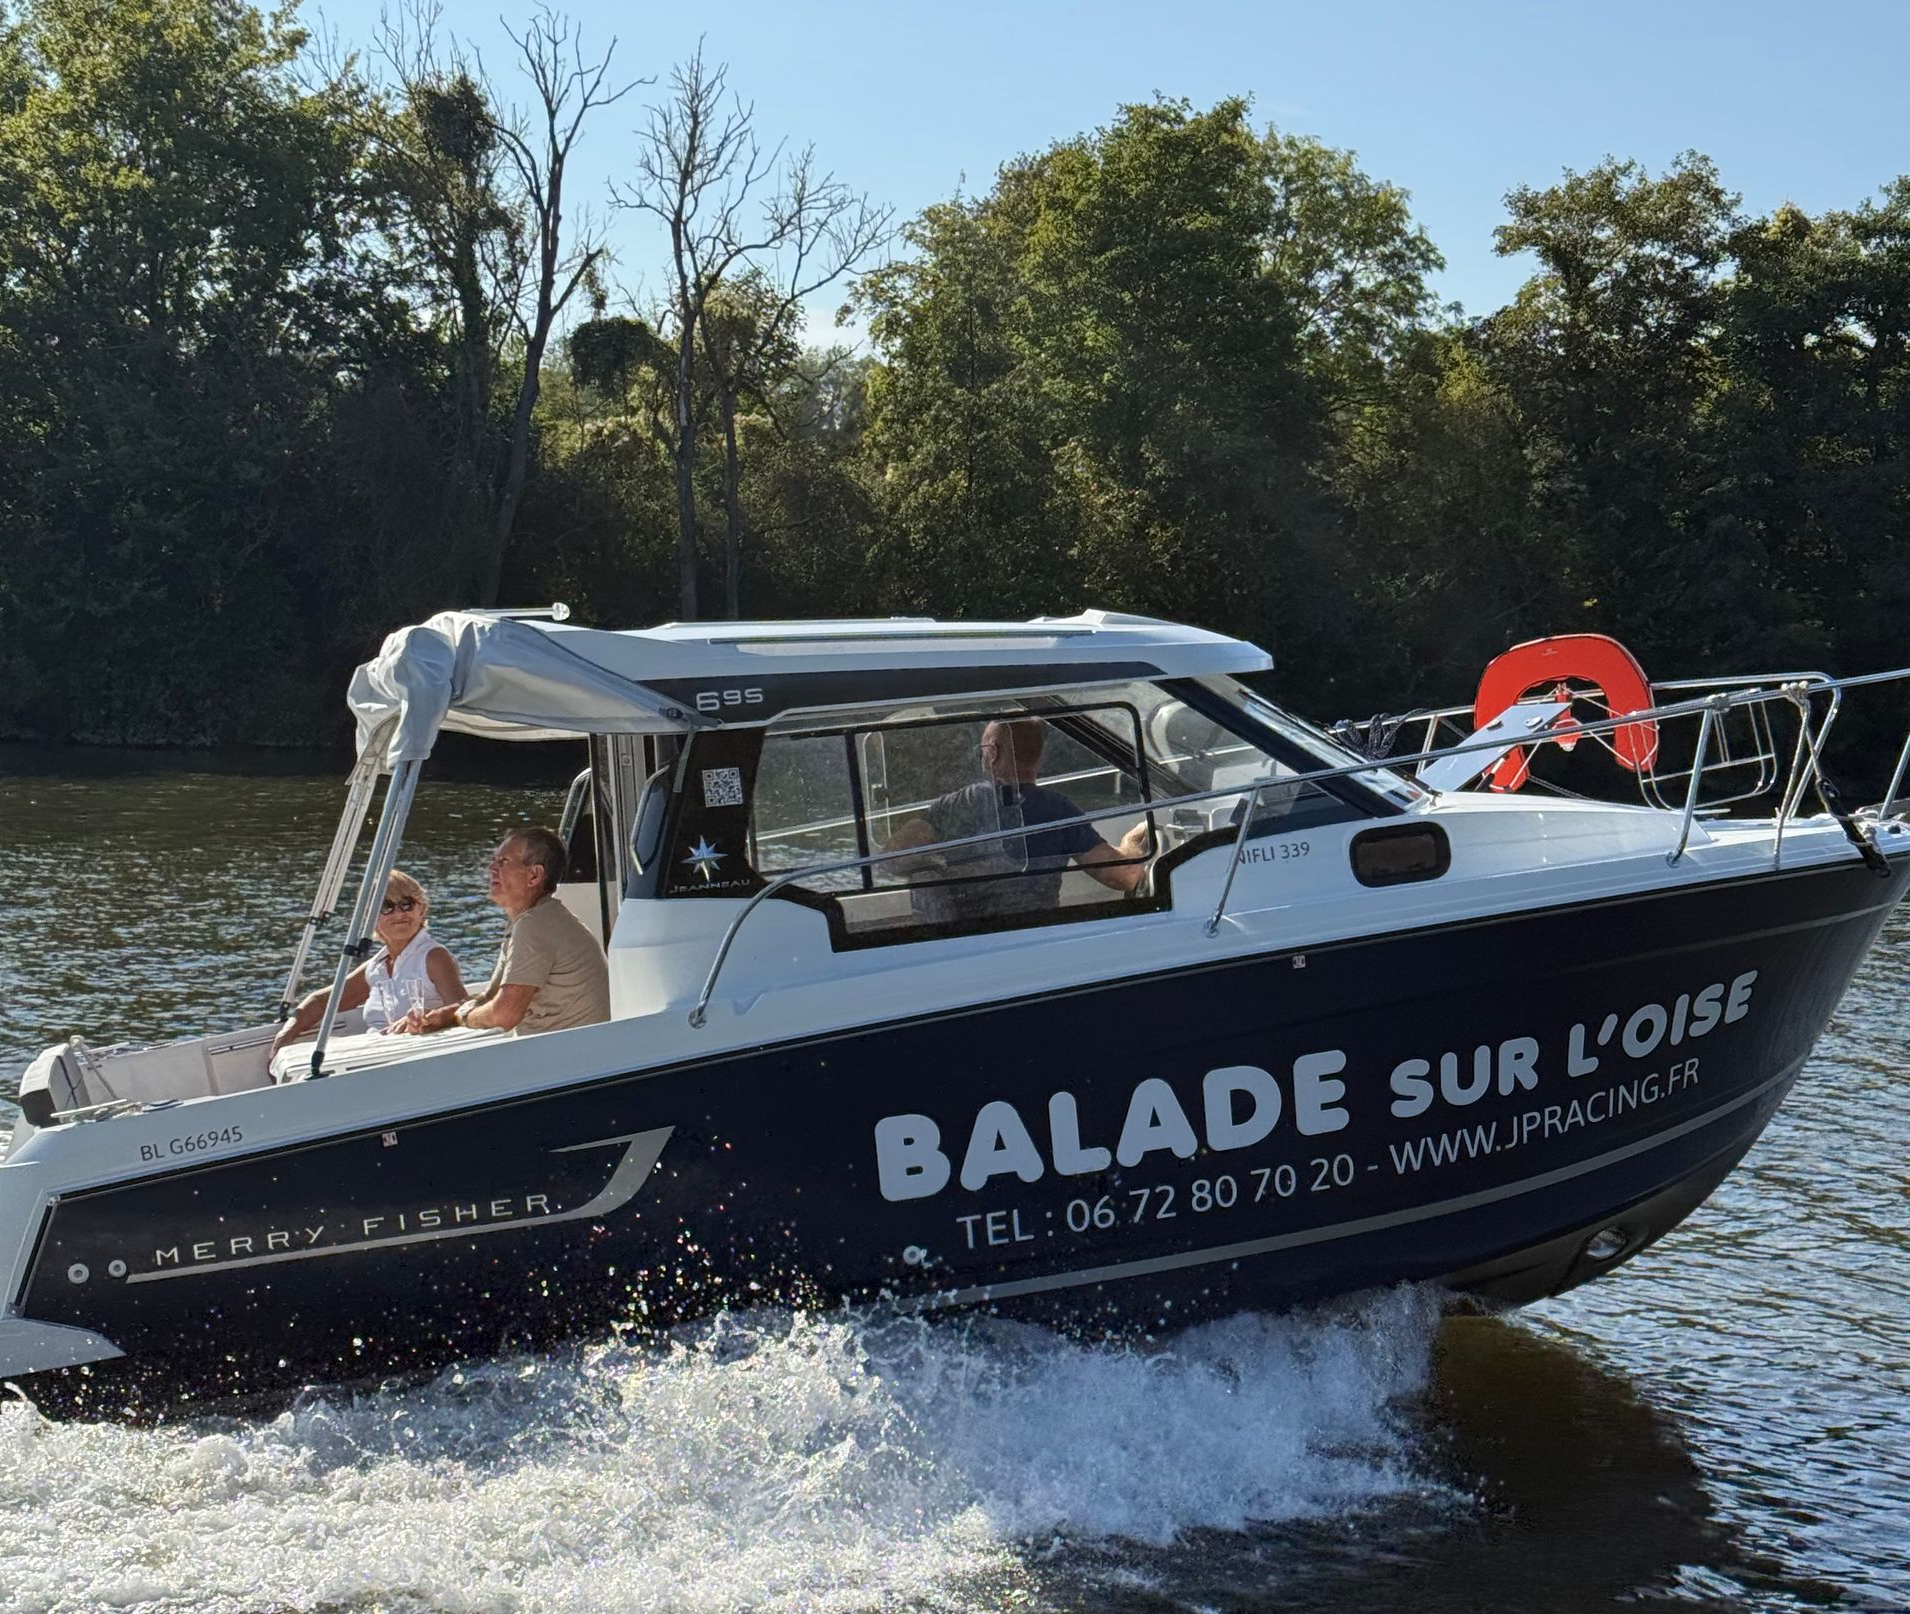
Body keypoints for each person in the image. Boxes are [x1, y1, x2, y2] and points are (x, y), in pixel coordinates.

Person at [885, 718, 1151, 917]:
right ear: (1038, 756)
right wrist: (1130, 845)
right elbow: (1123, 877)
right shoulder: (1057, 810)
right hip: (1035, 932)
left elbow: (893, 857)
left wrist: (944, 867)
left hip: (963, 938)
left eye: (982, 749)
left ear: (992, 753)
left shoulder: (957, 804)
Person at [395, 825, 610, 1038]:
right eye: (494, 860)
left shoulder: (535, 925)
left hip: (565, 1053)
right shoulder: (537, 919)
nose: (491, 868)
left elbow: (504, 1014)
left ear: (534, 875)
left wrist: (462, 1018)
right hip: (570, 1047)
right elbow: (492, 997)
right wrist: (446, 1015)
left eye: (503, 862)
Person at [269, 870, 465, 1059]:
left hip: (414, 1057)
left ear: (421, 910)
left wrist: (431, 1017)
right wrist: (286, 1033)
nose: (399, 913)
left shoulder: (433, 957)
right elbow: (322, 1002)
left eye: (407, 904)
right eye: (386, 906)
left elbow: (464, 1007)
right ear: (370, 918)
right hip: (377, 1054)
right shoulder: (377, 966)